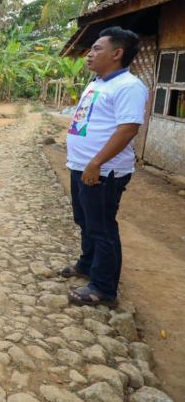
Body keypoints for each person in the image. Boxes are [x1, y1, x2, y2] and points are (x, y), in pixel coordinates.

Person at [62, 27, 148, 307]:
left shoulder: (129, 87)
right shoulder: (97, 83)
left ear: (117, 53)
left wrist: (96, 163)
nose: (90, 54)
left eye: (97, 49)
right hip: (82, 166)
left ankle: (103, 287)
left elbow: (127, 130)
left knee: (102, 228)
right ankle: (87, 265)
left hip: (103, 171)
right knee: (85, 221)